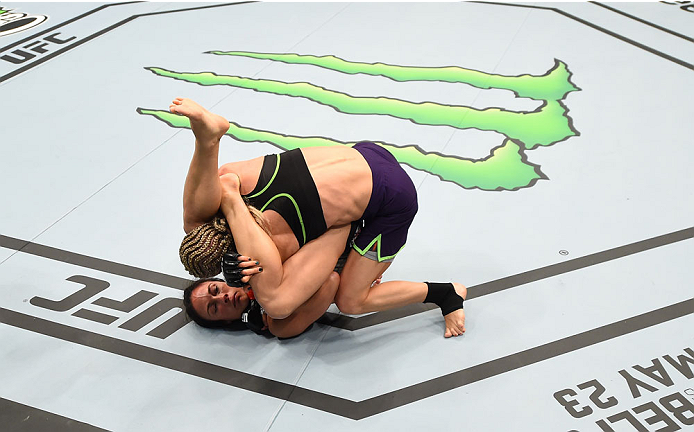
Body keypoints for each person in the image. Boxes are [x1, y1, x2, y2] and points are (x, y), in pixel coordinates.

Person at [172, 97, 467, 338]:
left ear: (218, 279)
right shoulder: (226, 181)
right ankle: (207, 142)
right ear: (227, 323)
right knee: (203, 218)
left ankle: (447, 294)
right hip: (366, 156)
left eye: (214, 290)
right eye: (215, 308)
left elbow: (321, 280)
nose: (221, 298)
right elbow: (328, 282)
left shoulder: (270, 262)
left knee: (302, 300)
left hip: (385, 195)